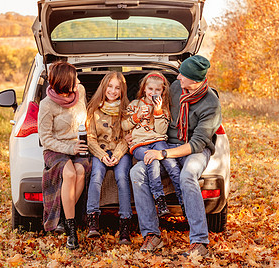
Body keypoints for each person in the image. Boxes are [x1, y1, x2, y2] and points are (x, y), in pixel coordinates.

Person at [130, 55, 222, 256]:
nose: (178, 77)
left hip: (194, 150)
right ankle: (151, 235)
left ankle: (200, 242)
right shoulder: (175, 89)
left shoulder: (211, 104)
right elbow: (157, 111)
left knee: (188, 175)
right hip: (166, 143)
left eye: (183, 75)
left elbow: (197, 143)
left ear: (195, 80)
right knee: (137, 173)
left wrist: (162, 154)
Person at [38, 61, 91, 250]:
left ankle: (61, 215)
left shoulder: (81, 91)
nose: (78, 80)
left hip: (79, 145)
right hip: (55, 149)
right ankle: (72, 230)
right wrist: (70, 149)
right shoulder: (47, 105)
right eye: (74, 78)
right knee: (69, 174)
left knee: (79, 171)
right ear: (63, 82)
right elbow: (45, 139)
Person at [121, 72, 183, 218]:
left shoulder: (164, 108)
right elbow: (124, 125)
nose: (153, 93)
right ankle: (160, 200)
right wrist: (137, 117)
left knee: (172, 165)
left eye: (157, 90)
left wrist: (158, 110)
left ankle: (183, 200)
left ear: (163, 91)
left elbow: (161, 130)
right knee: (152, 160)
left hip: (158, 141)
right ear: (144, 89)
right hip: (139, 145)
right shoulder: (135, 105)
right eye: (150, 89)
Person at [85, 71, 133, 244]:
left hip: (121, 152)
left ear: (122, 91)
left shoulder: (127, 111)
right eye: (110, 87)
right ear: (104, 88)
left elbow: (127, 139)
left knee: (122, 177)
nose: (113, 91)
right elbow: (90, 138)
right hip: (100, 152)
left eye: (117, 88)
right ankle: (92, 222)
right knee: (96, 175)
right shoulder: (93, 110)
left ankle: (125, 225)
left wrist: (118, 155)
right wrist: (103, 155)